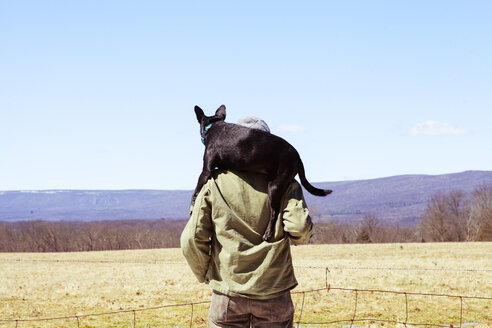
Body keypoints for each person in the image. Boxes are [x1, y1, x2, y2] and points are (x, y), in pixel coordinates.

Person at [180, 117, 313, 328]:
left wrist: (206, 275)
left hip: (227, 293)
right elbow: (299, 228)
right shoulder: (286, 182)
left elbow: (191, 238)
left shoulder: (215, 182)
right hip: (274, 292)